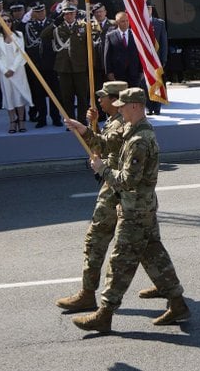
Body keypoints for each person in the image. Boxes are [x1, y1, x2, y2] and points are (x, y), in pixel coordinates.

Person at [70, 87, 189, 332]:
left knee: (120, 261)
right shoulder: (133, 130)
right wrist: (84, 130)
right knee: (154, 254)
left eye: (123, 106)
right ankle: (177, 303)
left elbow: (127, 180)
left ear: (135, 106)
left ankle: (105, 313)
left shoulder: (139, 141)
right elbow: (108, 143)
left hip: (135, 211)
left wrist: (102, 169)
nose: (119, 109)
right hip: (141, 207)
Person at [56, 80, 130, 312]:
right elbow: (103, 149)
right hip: (117, 186)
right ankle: (170, 291)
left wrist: (86, 130)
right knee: (146, 246)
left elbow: (105, 147)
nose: (99, 99)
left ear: (116, 100)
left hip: (115, 189)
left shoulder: (121, 124)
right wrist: (93, 123)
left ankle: (88, 295)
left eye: (103, 96)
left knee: (95, 239)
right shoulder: (115, 120)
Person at [43, 5, 93, 123]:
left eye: (71, 13)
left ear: (75, 13)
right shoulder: (58, 27)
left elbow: (89, 47)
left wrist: (91, 65)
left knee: (82, 96)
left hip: (80, 67)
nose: (69, 16)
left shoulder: (83, 26)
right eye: (66, 14)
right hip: (63, 67)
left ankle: (81, 120)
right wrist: (55, 23)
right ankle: (70, 121)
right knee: (67, 97)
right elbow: (43, 36)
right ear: (63, 15)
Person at [24, 1, 63, 128]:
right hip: (37, 65)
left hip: (52, 64)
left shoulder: (52, 23)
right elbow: (29, 42)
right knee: (39, 94)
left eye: (42, 11)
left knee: (55, 93)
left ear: (45, 11)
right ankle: (41, 118)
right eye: (37, 12)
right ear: (33, 13)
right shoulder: (29, 25)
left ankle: (56, 117)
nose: (40, 14)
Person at [0, 13, 33, 133]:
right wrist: (5, 70)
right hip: (5, 73)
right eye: (4, 21)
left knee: (18, 96)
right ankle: (12, 122)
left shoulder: (19, 35)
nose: (7, 23)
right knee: (8, 96)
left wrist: (13, 69)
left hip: (18, 71)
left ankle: (21, 122)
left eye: (9, 21)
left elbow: (21, 53)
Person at [104, 11, 143, 88]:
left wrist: (141, 71)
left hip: (134, 73)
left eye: (127, 21)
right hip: (118, 73)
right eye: (122, 21)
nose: (125, 23)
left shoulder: (136, 35)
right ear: (117, 22)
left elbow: (140, 54)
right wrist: (109, 72)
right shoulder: (110, 36)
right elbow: (107, 56)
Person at [147, 3, 168, 115]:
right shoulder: (139, 23)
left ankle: (157, 107)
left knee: (157, 83)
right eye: (145, 8)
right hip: (145, 59)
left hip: (157, 58)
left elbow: (164, 42)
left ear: (152, 9)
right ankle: (149, 107)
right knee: (147, 84)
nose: (147, 10)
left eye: (149, 8)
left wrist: (164, 58)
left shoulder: (159, 23)